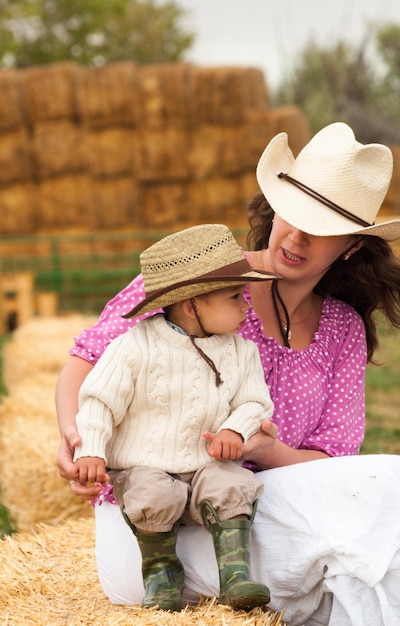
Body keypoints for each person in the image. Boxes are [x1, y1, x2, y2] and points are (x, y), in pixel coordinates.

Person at [57, 122, 400, 625]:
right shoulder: (194, 280)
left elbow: (332, 461)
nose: (296, 236)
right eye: (291, 214)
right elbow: (86, 359)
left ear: (353, 246)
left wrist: (263, 451)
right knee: (397, 492)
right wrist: (74, 436)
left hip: (258, 515)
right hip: (157, 527)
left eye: (320, 227)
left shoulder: (342, 329)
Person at [73, 223, 276, 611]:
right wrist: (92, 451)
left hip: (207, 461)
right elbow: (99, 401)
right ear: (192, 304)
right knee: (152, 494)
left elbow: (255, 402)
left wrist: (235, 428)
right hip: (145, 465)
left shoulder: (241, 351)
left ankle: (235, 573)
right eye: (236, 296)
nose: (246, 306)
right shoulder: (134, 346)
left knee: (231, 484)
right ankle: (161, 571)